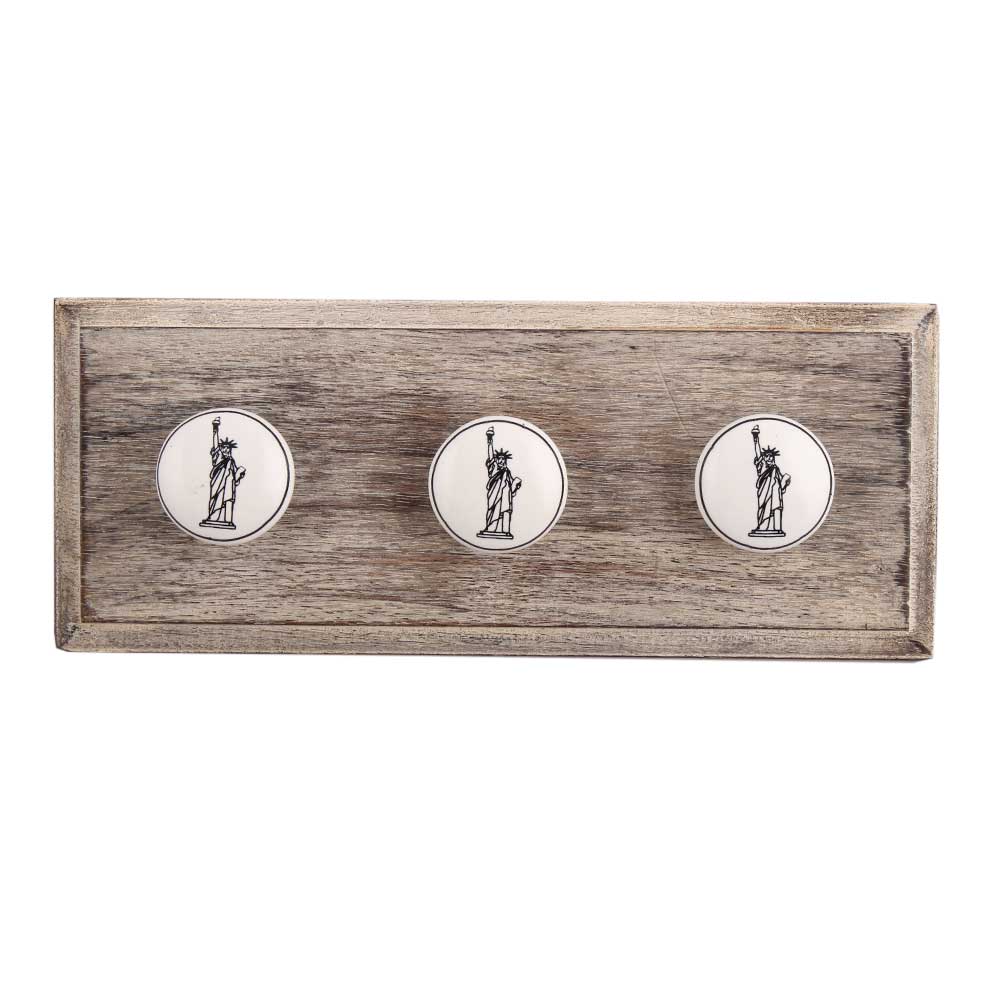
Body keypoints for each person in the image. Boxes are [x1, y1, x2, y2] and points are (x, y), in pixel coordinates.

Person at [199, 416, 246, 529]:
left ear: (230, 450)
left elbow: (235, 476)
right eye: (223, 448)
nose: (225, 450)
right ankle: (213, 518)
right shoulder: (219, 457)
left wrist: (240, 473)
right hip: (217, 483)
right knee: (215, 500)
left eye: (227, 448)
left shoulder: (231, 461)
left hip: (227, 486)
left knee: (226, 500)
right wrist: (215, 428)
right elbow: (215, 445)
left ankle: (226, 520)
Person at [477, 426, 522, 538]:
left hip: (505, 496)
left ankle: (504, 531)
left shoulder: (507, 471)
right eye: (499, 459)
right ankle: (490, 529)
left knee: (504, 511)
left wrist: (516, 485)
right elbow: (490, 455)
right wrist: (490, 439)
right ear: (496, 460)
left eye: (503, 459)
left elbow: (511, 487)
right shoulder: (494, 468)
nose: (501, 461)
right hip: (494, 495)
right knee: (493, 511)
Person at [750, 424, 791, 536]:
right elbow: (758, 452)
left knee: (774, 508)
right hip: (764, 493)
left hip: (774, 493)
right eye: (766, 456)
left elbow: (781, 481)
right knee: (763, 509)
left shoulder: (775, 468)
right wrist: (755, 438)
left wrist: (786, 480)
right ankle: (762, 528)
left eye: (770, 456)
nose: (768, 458)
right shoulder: (762, 466)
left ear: (773, 458)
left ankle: (776, 528)